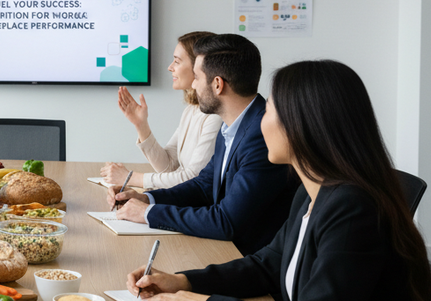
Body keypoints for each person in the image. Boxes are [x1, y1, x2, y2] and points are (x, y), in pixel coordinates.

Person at [126, 60, 431, 301]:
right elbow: (267, 264)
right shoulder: (313, 190)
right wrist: (183, 280)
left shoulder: (353, 208)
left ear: (304, 123)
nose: (261, 120)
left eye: (270, 110)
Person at [108, 33, 294, 255]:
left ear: (217, 85)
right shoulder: (233, 124)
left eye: (196, 77)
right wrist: (147, 198)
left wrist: (148, 213)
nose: (193, 85)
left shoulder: (261, 135)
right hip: (227, 250)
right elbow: (203, 185)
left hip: (248, 260)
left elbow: (227, 221)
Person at [101, 31, 222, 190]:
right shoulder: (191, 110)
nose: (170, 67)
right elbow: (169, 166)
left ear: (199, 67)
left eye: (177, 61)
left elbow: (193, 178)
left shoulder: (216, 117)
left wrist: (129, 178)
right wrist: (141, 125)